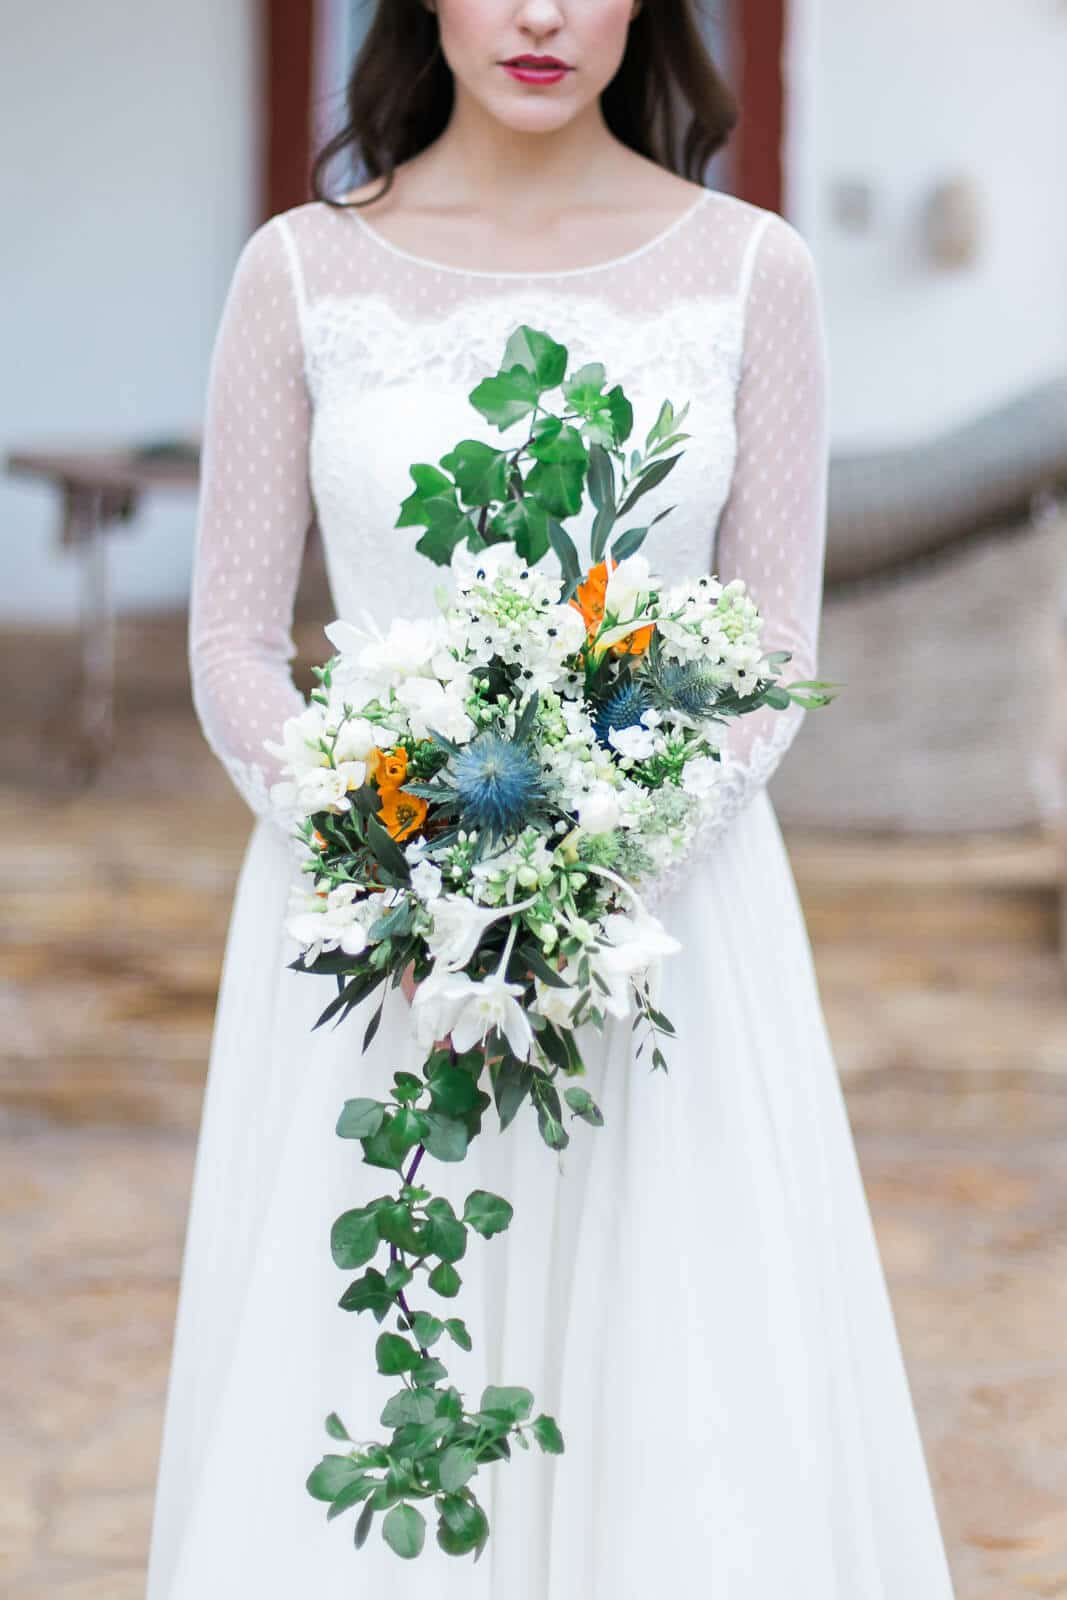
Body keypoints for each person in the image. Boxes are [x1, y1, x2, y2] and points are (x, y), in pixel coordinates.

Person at [145, 1, 957, 1594]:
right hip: (372, 939)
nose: (536, 16)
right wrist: (384, 848)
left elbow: (772, 634)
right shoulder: (300, 271)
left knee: (678, 1373)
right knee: (381, 1356)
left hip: (669, 940)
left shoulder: (748, 272)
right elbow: (236, 637)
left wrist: (605, 858)